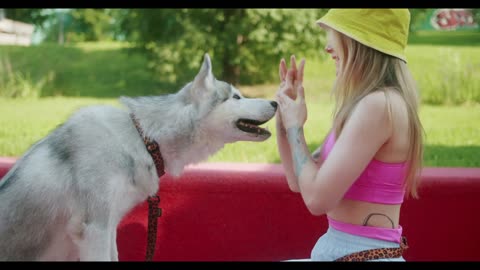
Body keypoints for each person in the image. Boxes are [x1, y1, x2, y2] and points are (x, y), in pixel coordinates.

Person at [275, 9, 424, 261]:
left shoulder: (379, 106)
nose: (327, 48)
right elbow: (298, 181)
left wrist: (295, 127)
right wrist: (284, 116)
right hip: (347, 250)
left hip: (360, 253)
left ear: (360, 43)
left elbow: (316, 199)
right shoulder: (368, 106)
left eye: (337, 34)